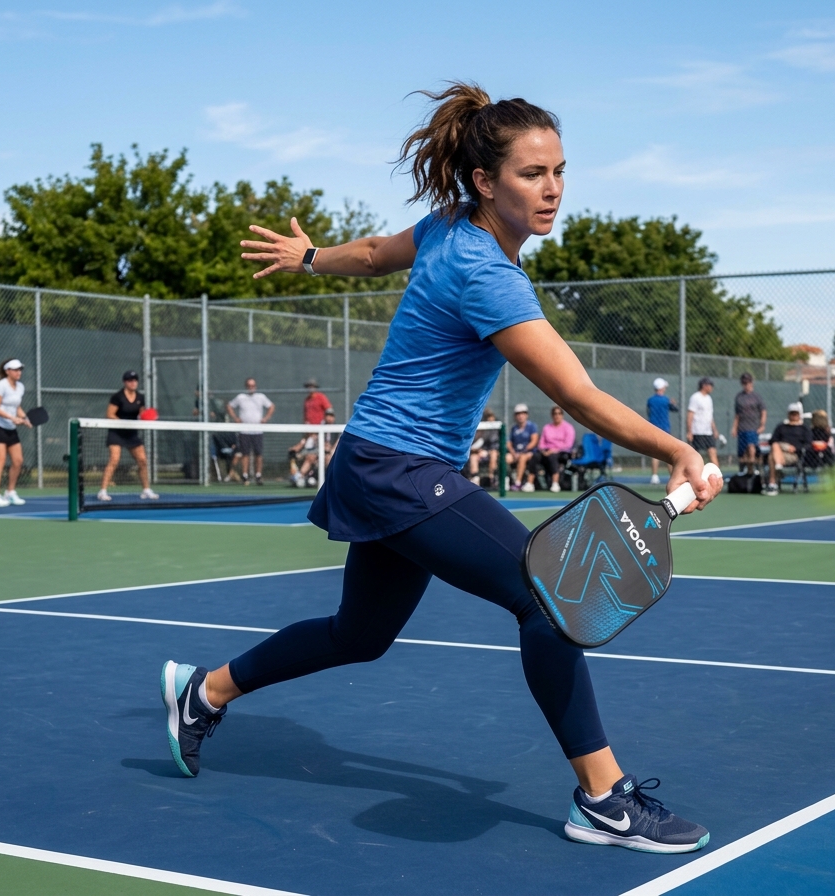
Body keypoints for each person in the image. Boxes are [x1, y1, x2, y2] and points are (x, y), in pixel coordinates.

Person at [170, 83, 720, 854]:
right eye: (533, 173)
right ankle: (603, 796)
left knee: (360, 634)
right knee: (547, 597)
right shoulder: (486, 274)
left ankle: (206, 690)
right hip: (399, 468)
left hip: (378, 462)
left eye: (560, 169)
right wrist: (681, 450)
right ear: (486, 181)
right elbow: (574, 392)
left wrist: (307, 256)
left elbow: (368, 256)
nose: (554, 187)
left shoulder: (449, 227)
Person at [97, 371, 157, 502]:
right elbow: (110, 414)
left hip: (131, 434)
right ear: (125, 382)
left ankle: (146, 490)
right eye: (130, 380)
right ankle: (102, 491)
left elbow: (141, 414)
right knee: (114, 460)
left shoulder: (140, 397)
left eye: (135, 380)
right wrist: (123, 423)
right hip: (116, 433)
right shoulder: (117, 397)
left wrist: (146, 416)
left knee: (142, 461)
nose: (133, 382)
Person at [0, 358, 32, 507]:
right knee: (0, 460)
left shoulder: (20, 387)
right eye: (16, 369)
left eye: (20, 370)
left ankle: (10, 493)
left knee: (18, 461)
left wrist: (24, 418)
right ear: (8, 371)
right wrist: (13, 418)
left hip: (10, 427)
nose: (19, 372)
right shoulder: (1, 386)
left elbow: (16, 406)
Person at [227, 378, 275, 485]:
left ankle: (258, 475)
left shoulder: (261, 397)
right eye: (249, 385)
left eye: (253, 385)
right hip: (244, 431)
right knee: (245, 454)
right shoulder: (241, 397)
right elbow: (229, 406)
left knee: (258, 454)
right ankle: (245, 475)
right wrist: (236, 418)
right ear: (246, 386)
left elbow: (271, 406)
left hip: (257, 431)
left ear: (256, 386)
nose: (251, 387)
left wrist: (266, 418)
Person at [765, 402, 812, 496]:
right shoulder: (781, 427)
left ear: (799, 415)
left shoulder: (804, 428)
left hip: (793, 455)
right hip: (780, 451)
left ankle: (772, 484)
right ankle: (778, 467)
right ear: (788, 414)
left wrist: (795, 449)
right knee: (775, 445)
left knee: (771, 457)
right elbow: (772, 440)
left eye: (796, 413)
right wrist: (785, 446)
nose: (793, 415)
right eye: (792, 413)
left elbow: (808, 444)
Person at [290, 407, 340, 487]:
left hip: (330, 454)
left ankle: (331, 481)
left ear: (334, 418)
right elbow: (311, 439)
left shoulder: (337, 430)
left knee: (329, 459)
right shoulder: (319, 428)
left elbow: (337, 445)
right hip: (319, 452)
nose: (329, 418)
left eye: (331, 416)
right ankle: (299, 477)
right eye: (327, 415)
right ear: (324, 417)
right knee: (310, 457)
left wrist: (329, 449)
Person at [732, 372, 766, 474]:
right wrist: (734, 428)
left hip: (753, 428)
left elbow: (763, 411)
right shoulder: (739, 397)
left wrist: (762, 425)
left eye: (748, 382)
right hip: (742, 428)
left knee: (751, 448)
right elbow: (737, 415)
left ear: (752, 383)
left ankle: (753, 469)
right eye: (744, 383)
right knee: (742, 453)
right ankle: (744, 470)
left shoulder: (757, 397)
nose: (746, 385)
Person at [646, 378, 678, 485]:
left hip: (653, 428)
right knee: (669, 453)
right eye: (664, 387)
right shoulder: (666, 400)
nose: (665, 388)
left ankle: (654, 477)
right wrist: (673, 403)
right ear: (661, 388)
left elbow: (648, 412)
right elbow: (675, 409)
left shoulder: (650, 400)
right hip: (665, 429)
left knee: (655, 454)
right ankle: (673, 477)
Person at [536, 406, 576, 492]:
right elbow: (541, 443)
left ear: (562, 415)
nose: (557, 416)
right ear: (552, 415)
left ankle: (555, 483)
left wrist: (554, 450)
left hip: (562, 453)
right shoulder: (547, 427)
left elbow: (568, 445)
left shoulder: (568, 427)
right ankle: (530, 483)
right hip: (547, 452)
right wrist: (544, 451)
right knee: (535, 456)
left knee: (553, 457)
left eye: (559, 413)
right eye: (555, 414)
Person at [686, 377, 719, 467]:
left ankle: (718, 477)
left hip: (708, 432)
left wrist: (714, 430)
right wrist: (689, 431)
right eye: (710, 385)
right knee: (695, 456)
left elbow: (710, 416)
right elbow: (690, 415)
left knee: (713, 453)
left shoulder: (709, 398)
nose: (711, 388)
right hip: (697, 431)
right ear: (704, 386)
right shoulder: (695, 397)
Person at [507, 403, 540, 492]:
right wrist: (513, 453)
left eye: (523, 413)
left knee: (522, 457)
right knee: (506, 458)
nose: (520, 416)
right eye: (518, 414)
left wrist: (523, 451)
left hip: (528, 453)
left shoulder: (532, 426)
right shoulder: (514, 428)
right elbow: (509, 443)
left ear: (526, 415)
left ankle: (518, 483)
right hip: (515, 453)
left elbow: (534, 441)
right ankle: (506, 482)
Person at [467, 409, 501, 487]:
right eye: (487, 417)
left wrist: (490, 451)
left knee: (493, 454)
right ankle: (475, 480)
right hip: (483, 452)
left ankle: (492, 478)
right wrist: (478, 450)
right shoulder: (482, 430)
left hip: (494, 452)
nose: (490, 419)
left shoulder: (498, 429)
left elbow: (498, 445)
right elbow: (478, 443)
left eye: (491, 417)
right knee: (474, 456)